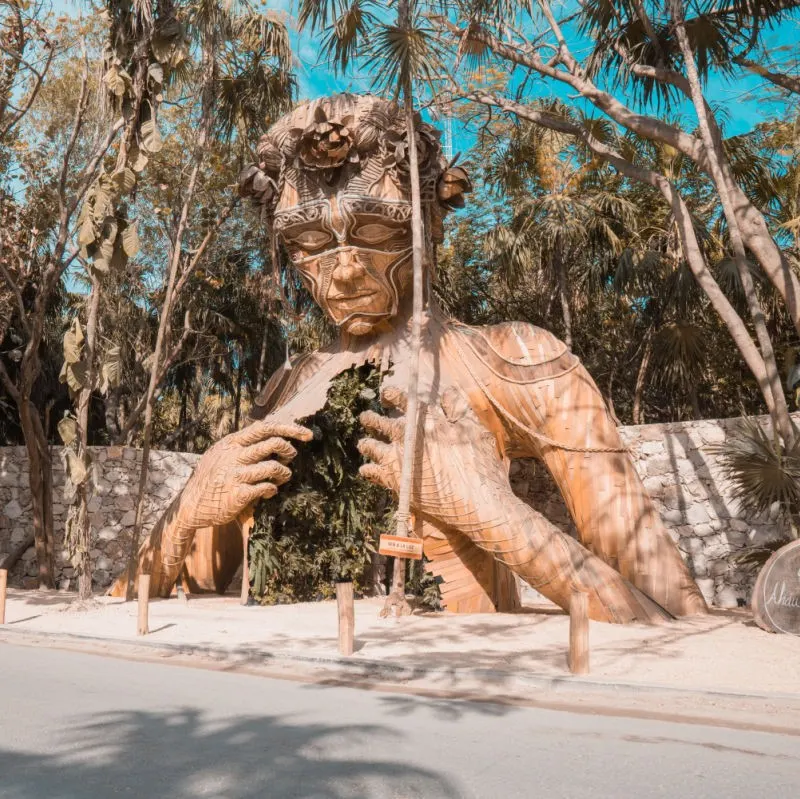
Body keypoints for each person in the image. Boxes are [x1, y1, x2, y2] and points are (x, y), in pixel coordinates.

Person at [114, 94, 707, 623]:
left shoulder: (519, 361)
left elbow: (668, 615)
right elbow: (149, 592)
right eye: (312, 244)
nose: (344, 271)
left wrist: (489, 512)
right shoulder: (286, 385)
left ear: (430, 227)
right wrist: (192, 505)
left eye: (375, 233)